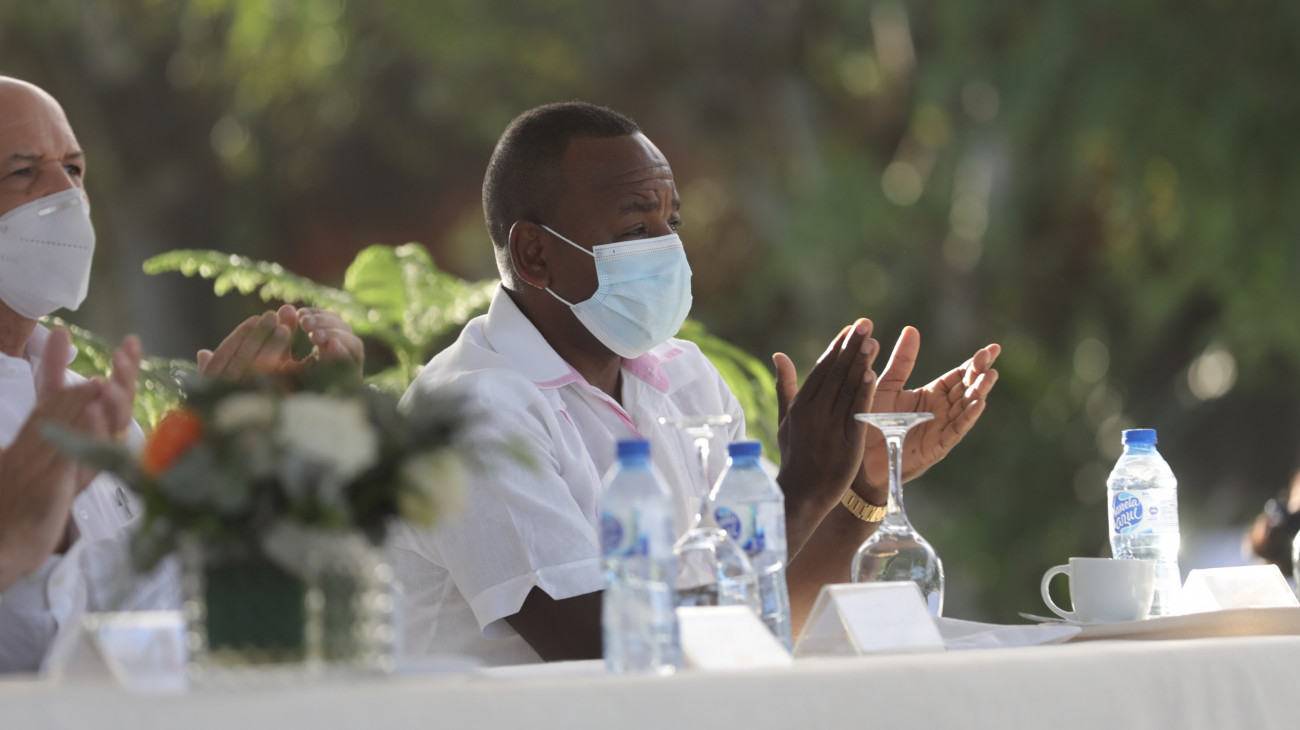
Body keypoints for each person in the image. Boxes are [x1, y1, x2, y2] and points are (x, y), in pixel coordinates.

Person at [392, 101, 1001, 664]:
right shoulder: (469, 413)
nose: (668, 249)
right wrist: (802, 487)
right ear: (534, 255)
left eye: (672, 221)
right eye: (636, 230)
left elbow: (772, 607)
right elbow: (597, 648)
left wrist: (858, 483)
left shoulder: (684, 378)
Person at [0, 76, 363, 672]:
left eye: (73, 168)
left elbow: (168, 615)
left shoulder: (90, 407)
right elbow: (36, 650)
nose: (66, 195)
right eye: (23, 172)